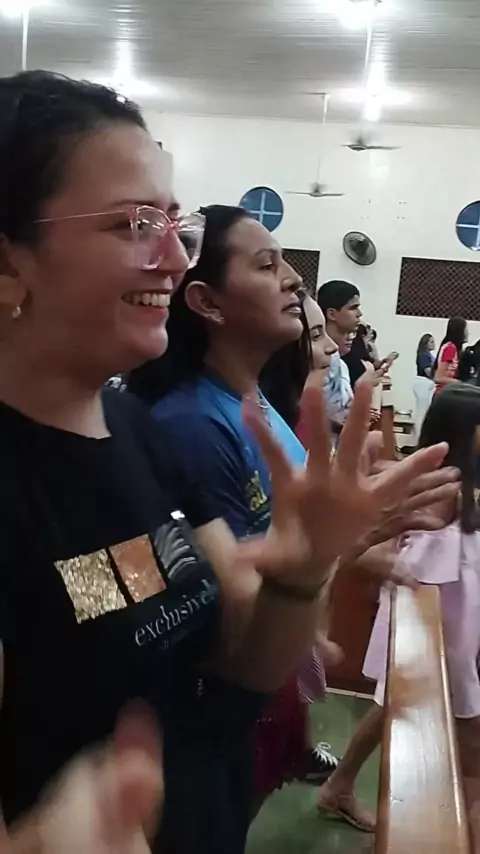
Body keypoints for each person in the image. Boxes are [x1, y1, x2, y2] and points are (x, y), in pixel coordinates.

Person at [0, 70, 454, 854]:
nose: (175, 260)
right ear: (10, 262)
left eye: (173, 223)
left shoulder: (129, 428)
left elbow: (238, 663)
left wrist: (302, 570)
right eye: (134, 223)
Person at [364, 383, 480, 842]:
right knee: (458, 726)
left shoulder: (465, 484)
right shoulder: (441, 488)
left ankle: (339, 784)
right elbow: (415, 563)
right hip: (436, 621)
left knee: (391, 706)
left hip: (458, 617)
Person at [317, 280, 360, 437]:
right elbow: (303, 405)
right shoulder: (319, 355)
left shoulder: (341, 363)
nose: (359, 314)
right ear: (332, 314)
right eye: (353, 308)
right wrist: (341, 427)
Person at [433, 316, 468, 393]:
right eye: (465, 330)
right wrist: (460, 383)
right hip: (444, 393)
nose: (467, 333)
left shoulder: (454, 348)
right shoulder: (450, 348)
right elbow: (439, 377)